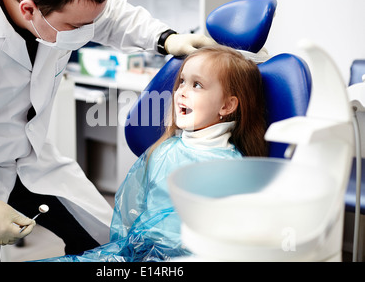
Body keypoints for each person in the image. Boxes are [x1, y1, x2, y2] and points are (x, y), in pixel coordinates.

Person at [0, 0, 218, 261]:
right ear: (28, 10)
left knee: (113, 243)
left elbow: (108, 15)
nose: (87, 32)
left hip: (30, 157)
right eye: (75, 28)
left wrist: (166, 38)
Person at [40, 45, 269, 262]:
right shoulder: (163, 151)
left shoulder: (231, 170)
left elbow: (227, 244)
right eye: (181, 82)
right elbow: (131, 215)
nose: (181, 92)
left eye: (197, 85)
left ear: (227, 106)